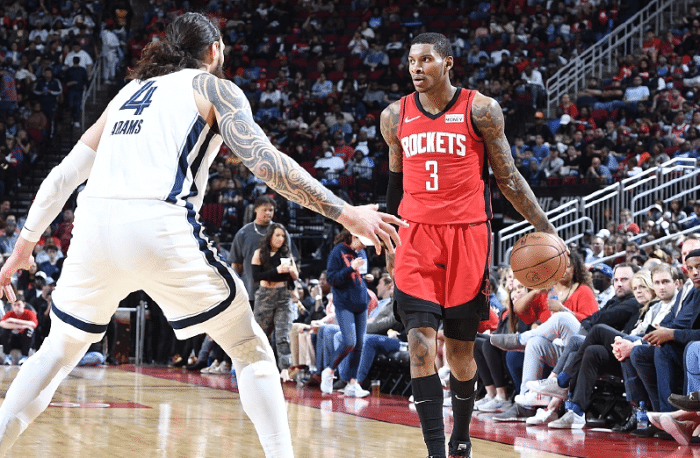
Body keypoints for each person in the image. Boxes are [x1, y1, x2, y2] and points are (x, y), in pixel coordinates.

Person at [0, 13, 403, 458]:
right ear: (214, 50)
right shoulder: (213, 87)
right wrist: (345, 213)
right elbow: (265, 163)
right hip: (157, 222)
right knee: (248, 346)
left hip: (93, 227)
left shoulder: (127, 94)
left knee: (55, 353)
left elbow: (61, 177)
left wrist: (23, 246)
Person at [380, 33, 556, 458]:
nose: (416, 68)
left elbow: (508, 178)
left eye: (426, 60)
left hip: (467, 236)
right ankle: (435, 451)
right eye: (411, 61)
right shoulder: (394, 116)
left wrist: (546, 228)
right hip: (416, 237)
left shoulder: (481, 109)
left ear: (448, 63)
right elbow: (394, 184)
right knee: (420, 345)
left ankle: (461, 436)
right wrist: (389, 241)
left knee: (460, 353)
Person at [320, 229, 373, 398]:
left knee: (360, 344)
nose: (364, 246)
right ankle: (329, 370)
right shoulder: (338, 251)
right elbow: (332, 279)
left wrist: (365, 277)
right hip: (344, 303)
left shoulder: (361, 252)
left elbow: (359, 275)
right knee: (349, 341)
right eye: (362, 242)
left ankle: (352, 383)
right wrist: (351, 268)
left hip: (361, 302)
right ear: (353, 236)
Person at [228, 195, 295, 310]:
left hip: (276, 292)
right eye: (265, 209)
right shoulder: (243, 233)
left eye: (271, 210)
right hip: (250, 292)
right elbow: (236, 265)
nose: (268, 213)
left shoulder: (281, 233)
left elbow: (288, 261)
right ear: (256, 209)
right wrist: (236, 289)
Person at [251, 223, 299, 382]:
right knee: (261, 333)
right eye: (277, 235)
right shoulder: (259, 253)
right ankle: (259, 364)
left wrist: (292, 272)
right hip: (265, 295)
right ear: (270, 236)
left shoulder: (286, 253)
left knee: (283, 334)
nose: (280, 239)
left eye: (283, 236)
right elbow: (256, 276)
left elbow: (296, 276)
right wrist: (276, 271)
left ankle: (285, 369)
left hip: (283, 295)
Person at [0, 300, 38, 366]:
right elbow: (2, 323)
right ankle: (7, 356)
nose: (17, 307)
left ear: (24, 304)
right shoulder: (9, 313)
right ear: (12, 306)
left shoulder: (30, 313)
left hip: (25, 340)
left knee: (30, 330)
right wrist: (22, 326)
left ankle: (24, 356)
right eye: (14, 305)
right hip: (12, 340)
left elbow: (33, 324)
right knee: (4, 330)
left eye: (19, 305)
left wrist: (14, 320)